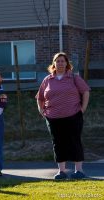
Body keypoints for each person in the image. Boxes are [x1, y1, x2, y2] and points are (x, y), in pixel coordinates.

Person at [36, 52, 90, 180]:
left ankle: (79, 171)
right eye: (57, 61)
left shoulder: (73, 77)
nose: (60, 63)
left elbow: (86, 91)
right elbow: (40, 97)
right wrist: (41, 110)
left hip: (73, 116)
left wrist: (83, 108)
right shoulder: (47, 80)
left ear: (67, 64)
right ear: (54, 64)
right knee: (58, 143)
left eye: (62, 61)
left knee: (74, 141)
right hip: (53, 118)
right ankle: (61, 171)